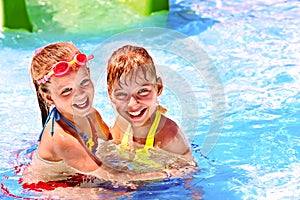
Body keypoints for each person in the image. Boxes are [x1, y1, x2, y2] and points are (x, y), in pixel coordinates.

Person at [22, 42, 180, 187]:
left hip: (78, 175)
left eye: (83, 82)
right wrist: (167, 174)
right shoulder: (62, 138)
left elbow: (111, 142)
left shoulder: (90, 114)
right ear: (49, 97)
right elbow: (110, 175)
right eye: (67, 90)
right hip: (49, 186)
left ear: (89, 74)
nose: (80, 95)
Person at [106, 45, 196, 170]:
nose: (132, 104)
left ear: (158, 87)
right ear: (111, 95)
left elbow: (189, 172)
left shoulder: (169, 135)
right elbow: (109, 155)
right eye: (122, 94)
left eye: (143, 91)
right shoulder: (121, 125)